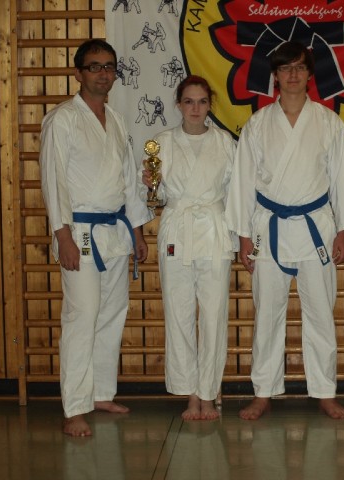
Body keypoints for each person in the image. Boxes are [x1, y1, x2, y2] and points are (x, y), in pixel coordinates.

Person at [225, 41, 344, 420]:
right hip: (269, 229)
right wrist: (243, 236)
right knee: (267, 315)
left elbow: (340, 179)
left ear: (310, 75)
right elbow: (243, 182)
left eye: (299, 67)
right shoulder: (257, 124)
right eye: (285, 68)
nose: (293, 74)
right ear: (275, 77)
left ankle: (325, 391)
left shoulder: (329, 123)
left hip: (317, 227)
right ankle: (263, 392)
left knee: (321, 314)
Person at [39, 39, 152, 437]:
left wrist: (137, 231)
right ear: (78, 73)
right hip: (80, 232)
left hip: (115, 233)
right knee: (82, 315)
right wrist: (63, 236)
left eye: (109, 66)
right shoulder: (62, 119)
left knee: (111, 314)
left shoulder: (117, 120)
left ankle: (101, 393)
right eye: (94, 66)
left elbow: (128, 182)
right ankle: (74, 407)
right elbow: (52, 180)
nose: (103, 73)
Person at [140, 75, 236, 421]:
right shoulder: (162, 143)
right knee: (178, 313)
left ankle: (208, 394)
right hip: (177, 229)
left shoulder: (225, 142)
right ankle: (190, 394)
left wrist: (243, 237)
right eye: (189, 101)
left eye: (202, 102)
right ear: (178, 104)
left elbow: (236, 193)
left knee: (213, 316)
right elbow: (156, 196)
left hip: (214, 229)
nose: (195, 108)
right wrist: (150, 185)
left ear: (210, 105)